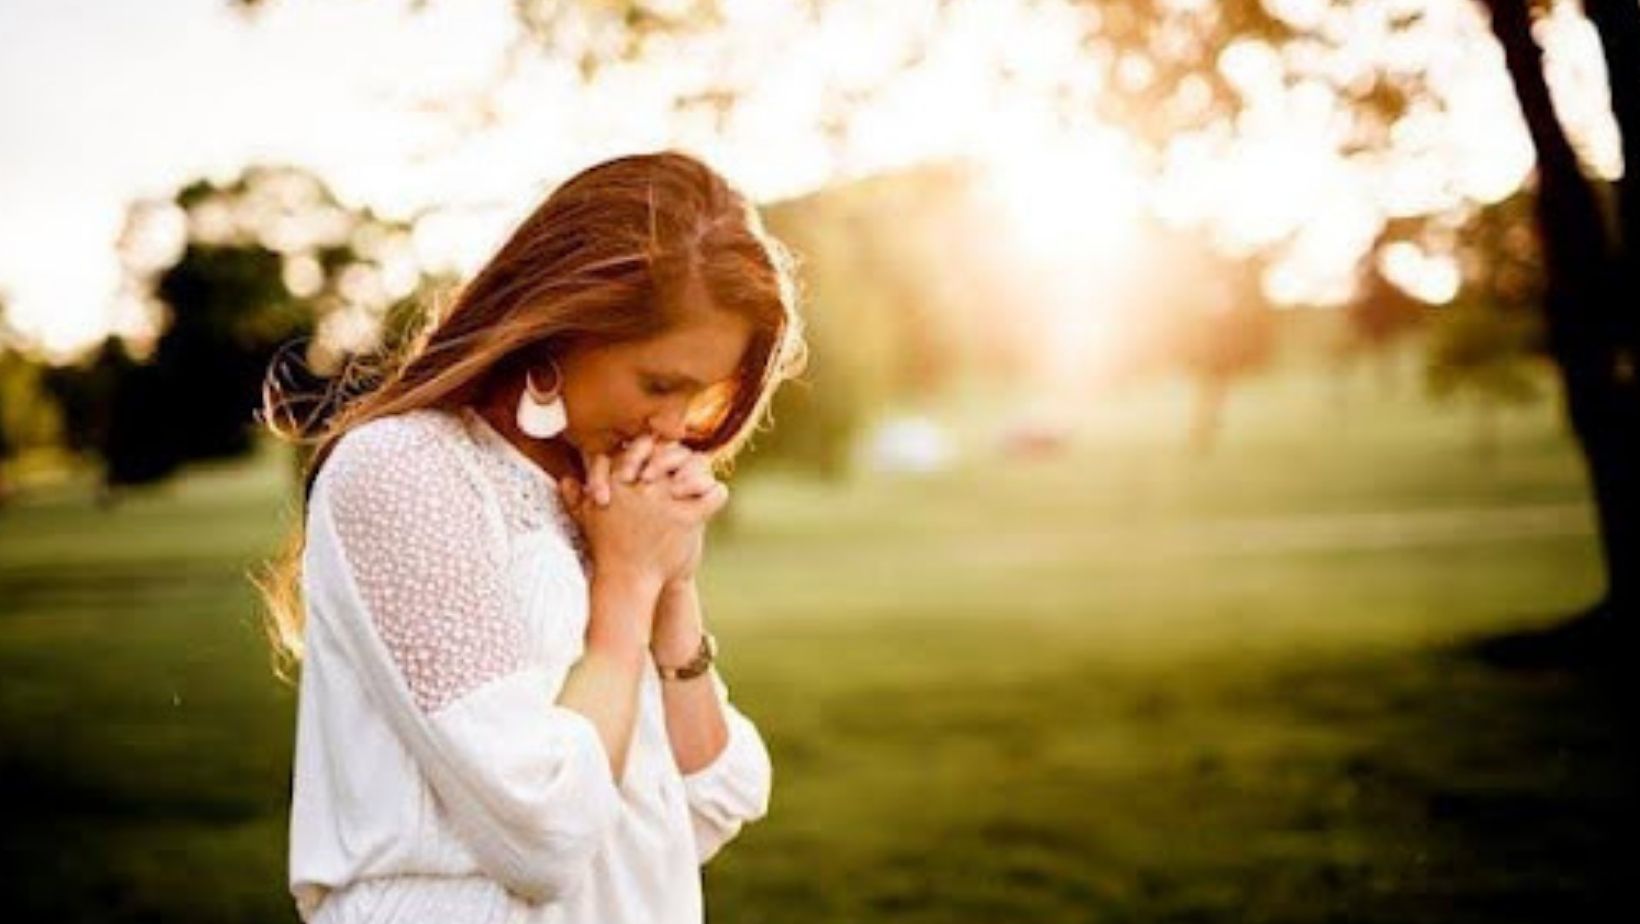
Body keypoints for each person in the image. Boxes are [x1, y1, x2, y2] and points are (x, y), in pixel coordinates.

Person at [254, 149, 807, 923]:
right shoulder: (407, 471)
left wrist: (671, 590)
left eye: (700, 394)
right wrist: (623, 599)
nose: (676, 428)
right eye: (658, 384)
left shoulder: (601, 495)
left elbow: (708, 805)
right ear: (565, 325)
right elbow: (543, 830)